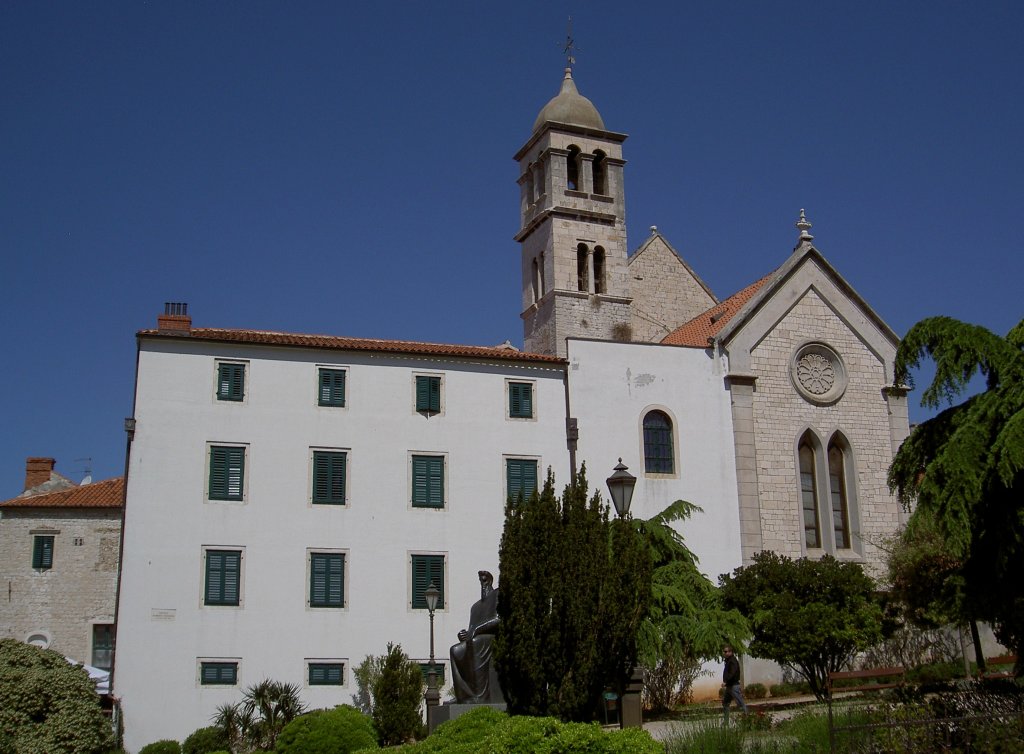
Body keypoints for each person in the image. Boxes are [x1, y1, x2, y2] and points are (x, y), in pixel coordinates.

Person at [450, 570, 503, 703]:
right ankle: (464, 696)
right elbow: (470, 629)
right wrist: (464, 635)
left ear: (490, 581)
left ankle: (481, 696)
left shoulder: (497, 594)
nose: (482, 584)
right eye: (480, 581)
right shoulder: (475, 607)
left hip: (493, 637)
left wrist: (476, 630)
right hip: (476, 639)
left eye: (484, 581)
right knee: (455, 650)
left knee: (475, 642)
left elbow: (498, 619)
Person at [722, 645, 748, 723]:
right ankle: (726, 722)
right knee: (725, 703)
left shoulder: (733, 661)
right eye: (724, 652)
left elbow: (732, 673)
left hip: (734, 686)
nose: (725, 653)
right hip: (729, 686)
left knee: (740, 703)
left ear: (731, 652)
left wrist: (726, 681)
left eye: (726, 651)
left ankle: (748, 718)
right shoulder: (728, 660)